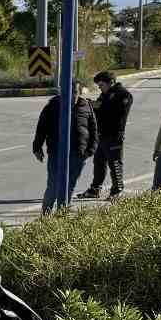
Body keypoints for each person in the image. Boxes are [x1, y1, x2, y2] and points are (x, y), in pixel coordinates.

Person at [33, 84, 99, 213]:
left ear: (80, 92)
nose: (72, 95)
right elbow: (41, 128)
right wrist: (37, 147)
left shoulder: (86, 106)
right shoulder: (53, 106)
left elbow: (94, 130)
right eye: (69, 92)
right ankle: (45, 216)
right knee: (53, 186)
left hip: (78, 154)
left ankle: (62, 216)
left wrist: (90, 150)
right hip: (56, 152)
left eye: (75, 92)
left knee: (69, 186)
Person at [80, 70, 133, 199]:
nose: (100, 88)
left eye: (101, 85)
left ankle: (117, 190)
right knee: (99, 163)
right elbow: (98, 109)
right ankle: (95, 189)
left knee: (115, 163)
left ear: (111, 82)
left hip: (114, 135)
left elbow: (116, 112)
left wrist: (99, 106)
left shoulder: (123, 94)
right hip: (101, 135)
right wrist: (92, 105)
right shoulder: (105, 95)